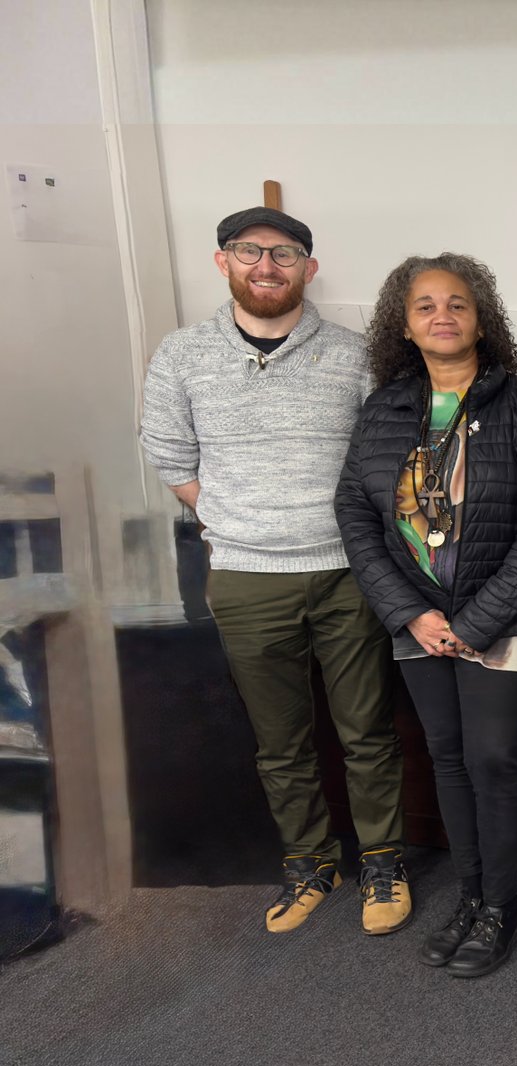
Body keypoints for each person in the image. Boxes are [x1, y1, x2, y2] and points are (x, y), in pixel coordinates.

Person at [139, 206, 409, 938]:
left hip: (350, 570)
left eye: (285, 253)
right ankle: (309, 862)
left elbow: (384, 459)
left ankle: (383, 859)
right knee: (281, 740)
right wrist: (237, 517)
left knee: (367, 730)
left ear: (308, 269)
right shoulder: (182, 355)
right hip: (247, 577)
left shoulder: (354, 355)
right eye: (250, 251)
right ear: (222, 261)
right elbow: (170, 457)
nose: (267, 265)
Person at [335, 253, 517, 978]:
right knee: (449, 758)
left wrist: (482, 615)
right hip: (418, 624)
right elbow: (354, 511)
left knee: (493, 759)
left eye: (457, 303)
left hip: (500, 620)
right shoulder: (383, 408)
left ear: (480, 316)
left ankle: (501, 904)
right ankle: (469, 896)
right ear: (403, 324)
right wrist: (409, 612)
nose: (442, 315)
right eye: (426, 305)